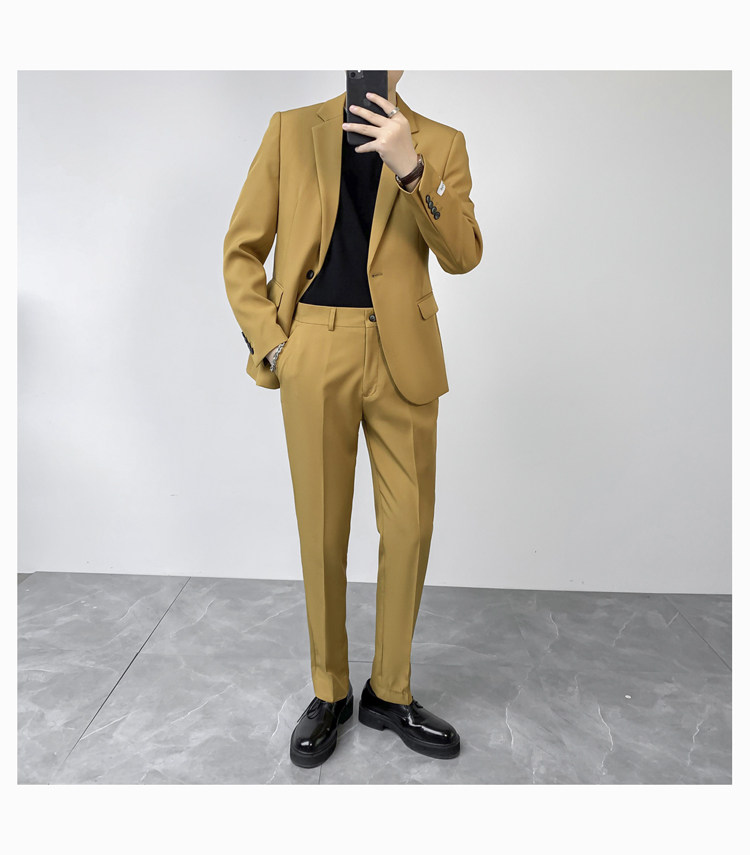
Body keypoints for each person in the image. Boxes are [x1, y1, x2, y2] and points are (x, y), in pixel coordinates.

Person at [223, 70, 483, 768]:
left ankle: (389, 692)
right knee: (323, 529)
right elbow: (241, 249)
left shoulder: (441, 143)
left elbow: (464, 254)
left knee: (410, 526)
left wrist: (412, 169)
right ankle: (329, 689)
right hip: (313, 346)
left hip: (404, 354)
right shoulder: (290, 129)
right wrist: (275, 343)